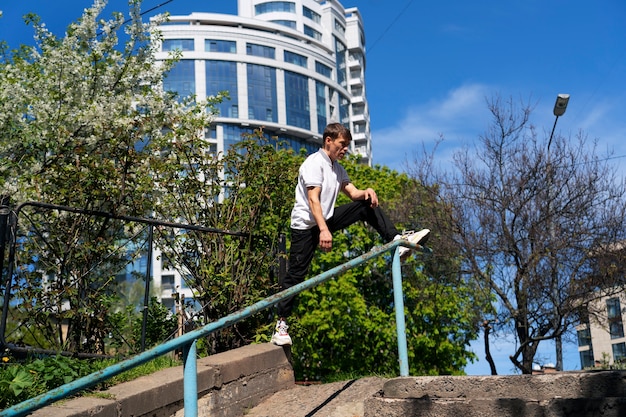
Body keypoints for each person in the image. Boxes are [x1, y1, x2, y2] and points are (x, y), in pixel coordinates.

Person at [271, 123, 430, 346]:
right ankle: (281, 325)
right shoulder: (314, 163)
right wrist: (324, 230)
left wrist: (366, 192)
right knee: (296, 275)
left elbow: (352, 192)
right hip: (305, 227)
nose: (345, 149)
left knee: (365, 205)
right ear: (328, 141)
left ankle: (397, 240)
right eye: (342, 144)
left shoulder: (337, 169)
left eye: (347, 146)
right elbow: (313, 200)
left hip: (325, 219)